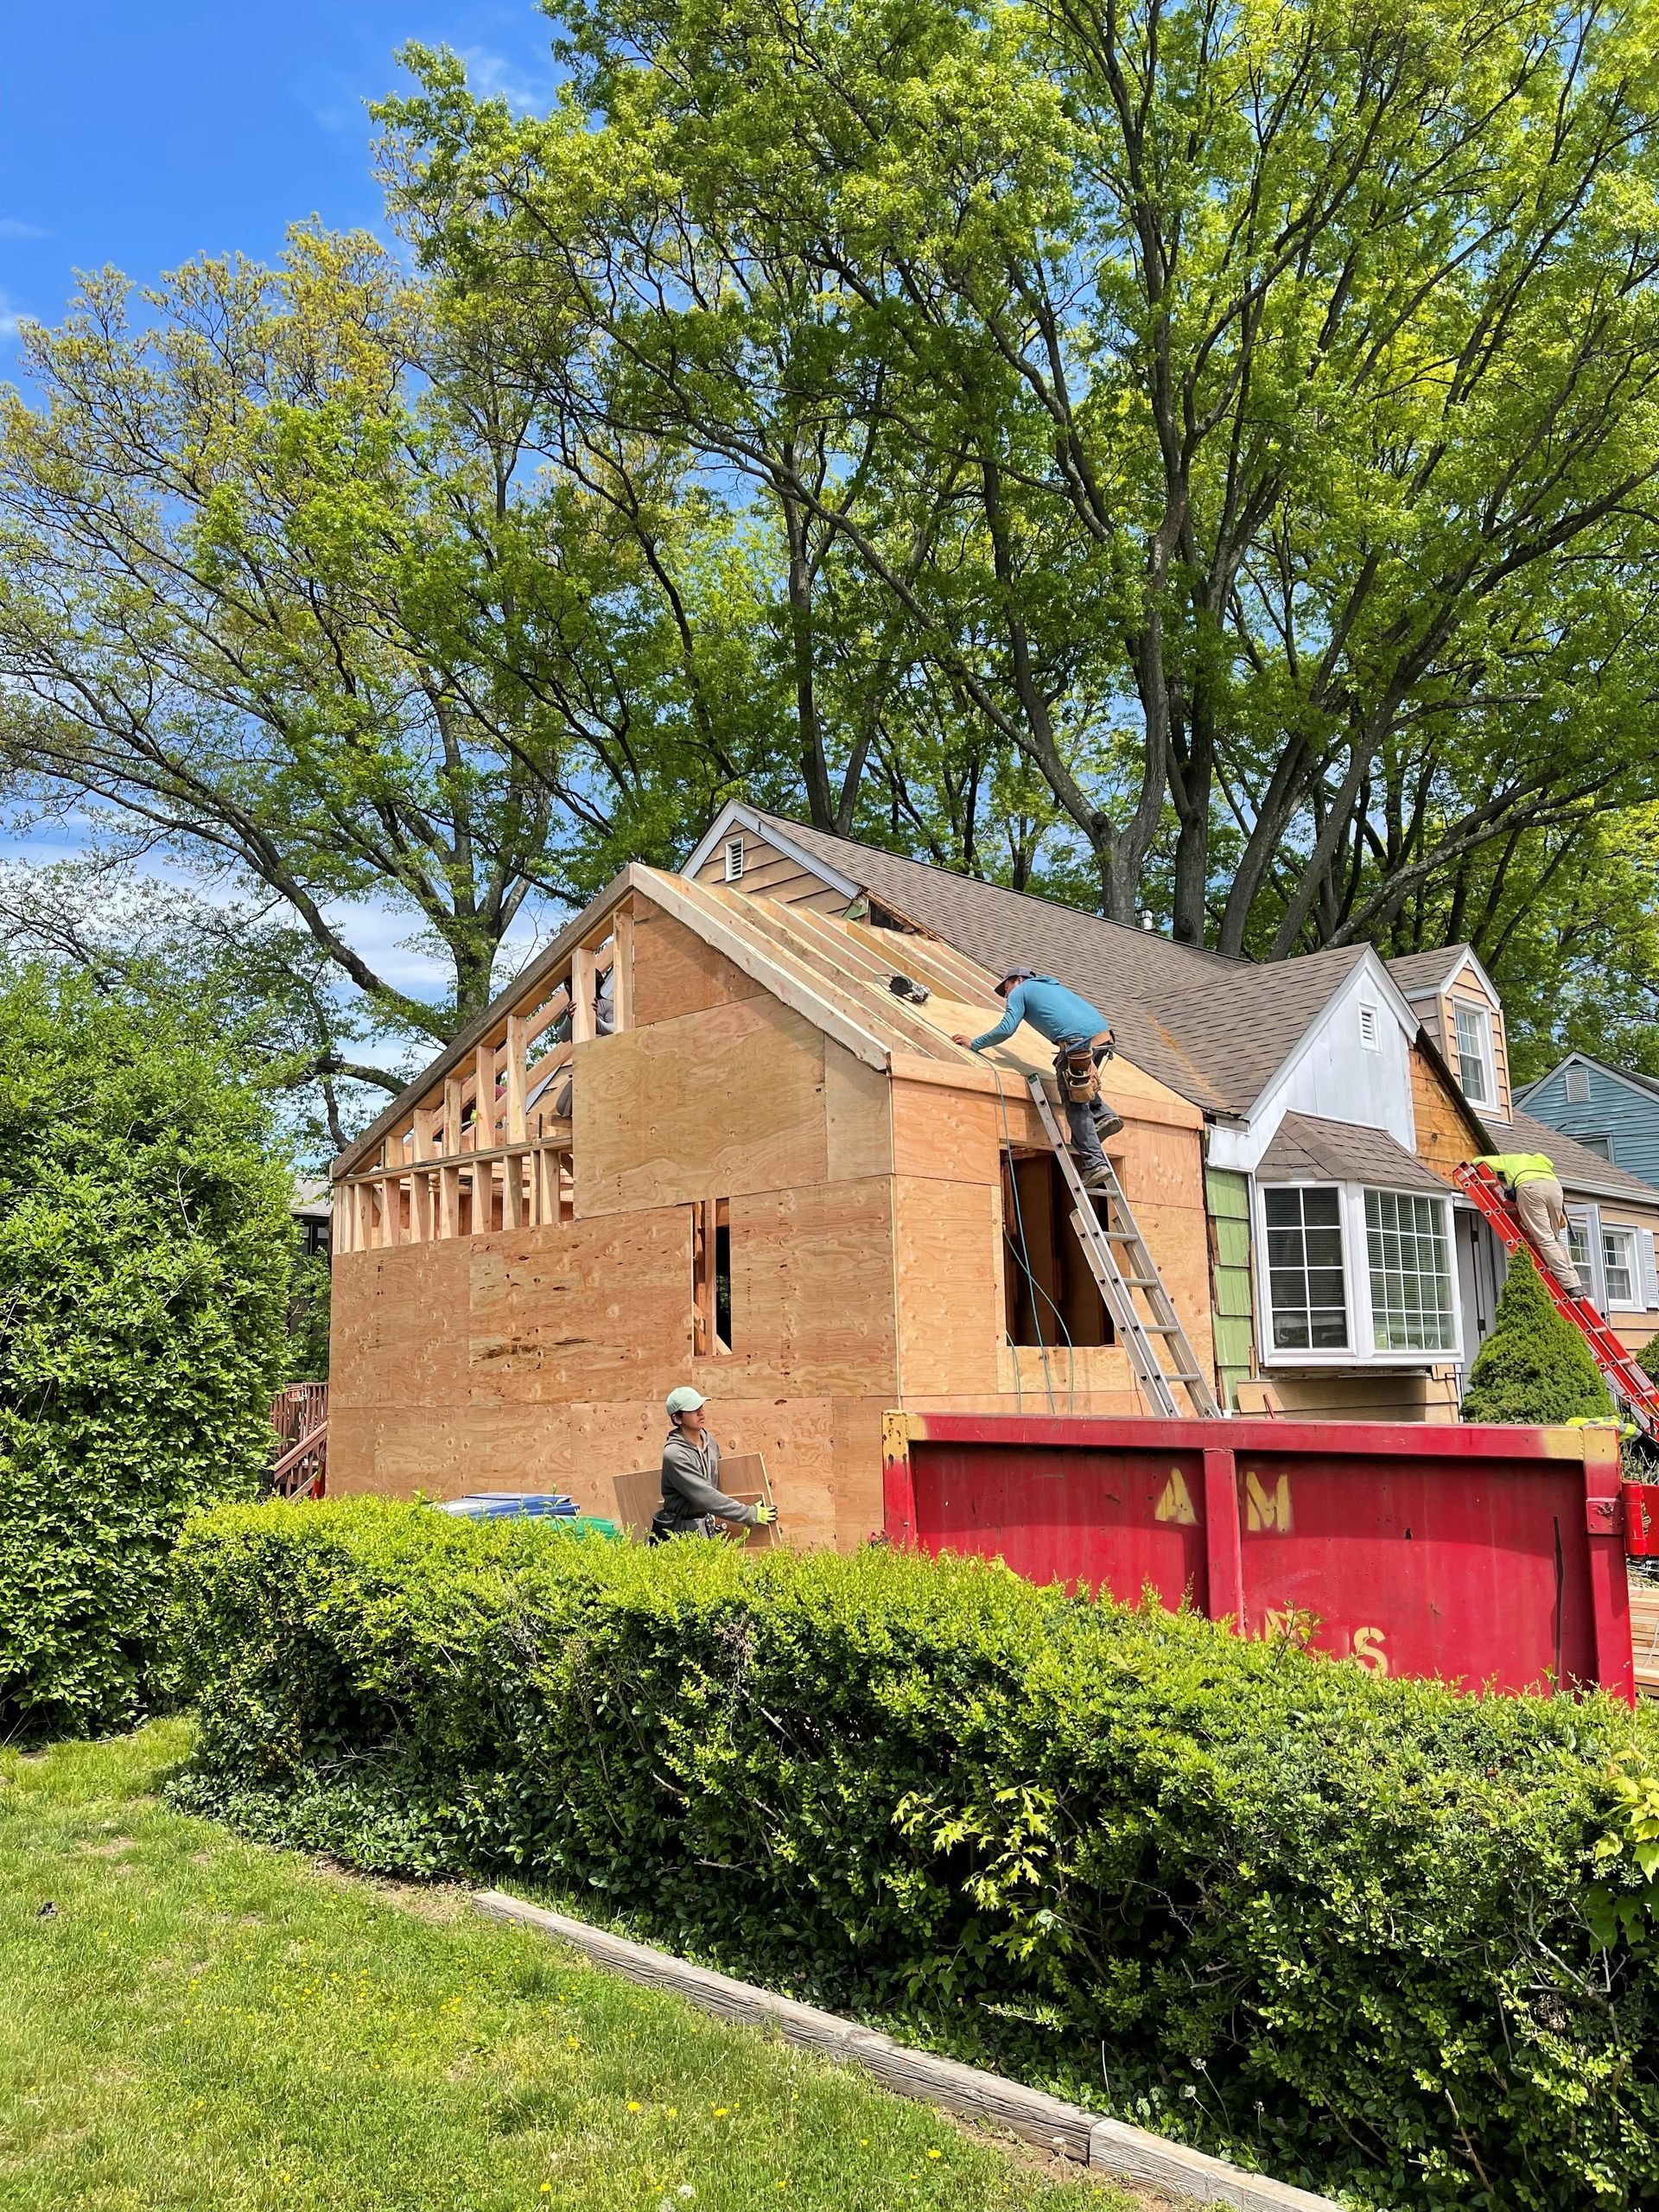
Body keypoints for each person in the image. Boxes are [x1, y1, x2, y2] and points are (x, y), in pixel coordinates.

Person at [952, 968, 1124, 1191]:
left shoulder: (1021, 990)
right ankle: (1103, 1114)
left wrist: (975, 1043)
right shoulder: (1051, 986)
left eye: (1006, 989)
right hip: (1103, 1038)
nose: (1007, 997)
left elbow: (1007, 1028)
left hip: (1077, 1044)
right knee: (1080, 1085)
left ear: (1019, 980)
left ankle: (1094, 1164)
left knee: (1075, 1103)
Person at [650, 1386, 779, 1542]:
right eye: (692, 1409)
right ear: (677, 1419)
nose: (700, 1412)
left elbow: (720, 1485)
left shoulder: (710, 1442)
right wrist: (749, 1513)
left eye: (701, 1406)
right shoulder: (675, 1454)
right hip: (679, 1535)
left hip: (706, 1529)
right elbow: (705, 1496)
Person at [1472, 1150, 1588, 1300]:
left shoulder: (1514, 1159)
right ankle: (1575, 1282)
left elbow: (1481, 1160)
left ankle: (1569, 1285)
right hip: (1555, 1188)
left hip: (1530, 1188)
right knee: (1554, 1238)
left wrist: (1474, 1163)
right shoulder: (1543, 1164)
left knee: (1545, 1239)